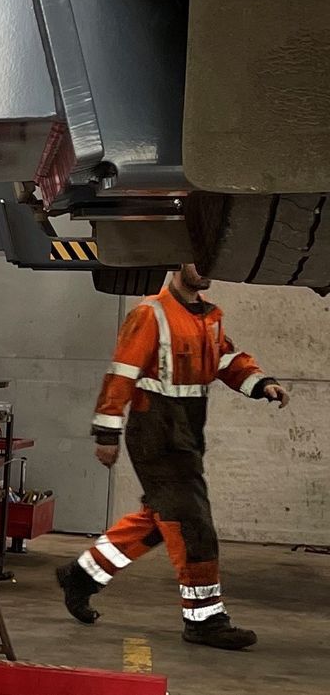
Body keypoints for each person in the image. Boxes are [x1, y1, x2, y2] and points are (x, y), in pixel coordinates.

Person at [57, 264, 288, 649]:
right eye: (199, 260)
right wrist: (106, 434)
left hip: (185, 436)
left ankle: (81, 575)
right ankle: (205, 620)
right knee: (192, 524)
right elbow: (121, 375)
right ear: (178, 264)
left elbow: (226, 361)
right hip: (154, 434)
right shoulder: (150, 313)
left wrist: (262, 383)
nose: (208, 269)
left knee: (158, 520)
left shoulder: (208, 318)